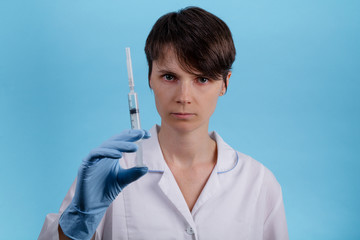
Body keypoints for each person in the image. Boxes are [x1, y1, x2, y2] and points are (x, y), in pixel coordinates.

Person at [39, 6, 288, 240]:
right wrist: (79, 218)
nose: (183, 97)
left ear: (225, 83)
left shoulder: (258, 183)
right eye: (169, 77)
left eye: (202, 79)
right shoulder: (112, 175)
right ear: (149, 78)